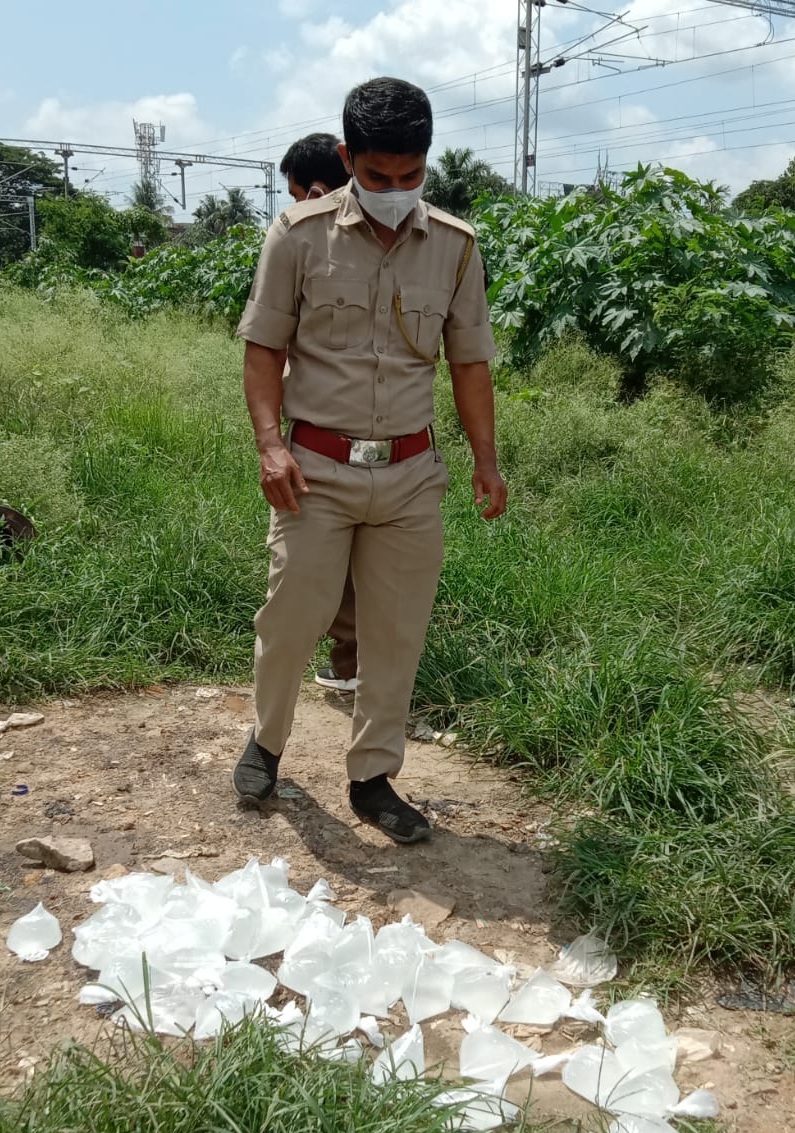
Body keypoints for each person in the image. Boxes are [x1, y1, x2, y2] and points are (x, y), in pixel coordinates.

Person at [233, 76, 507, 844]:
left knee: (395, 633)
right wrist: (269, 445)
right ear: (349, 157)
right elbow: (263, 349)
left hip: (411, 474)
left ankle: (373, 778)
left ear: (427, 161)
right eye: (378, 176)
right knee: (291, 617)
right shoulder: (298, 234)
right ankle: (267, 743)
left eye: (410, 175)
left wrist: (487, 462)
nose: (394, 190)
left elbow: (470, 364)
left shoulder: (455, 247)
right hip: (315, 470)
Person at [279, 132, 360, 693]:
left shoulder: (305, 246)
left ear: (315, 189)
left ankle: (350, 658)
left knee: (327, 557)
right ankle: (355, 658)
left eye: (296, 195)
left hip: (327, 438)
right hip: (394, 442)